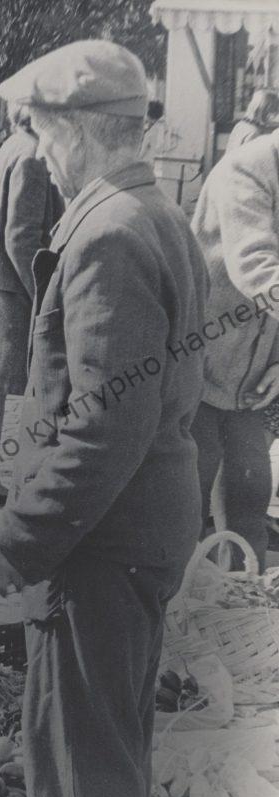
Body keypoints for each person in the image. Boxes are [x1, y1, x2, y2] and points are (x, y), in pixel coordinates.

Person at [0, 40, 208, 797]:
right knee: (78, 731)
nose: (34, 151)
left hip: (106, 535)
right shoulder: (150, 211)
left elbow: (105, 427)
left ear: (77, 130)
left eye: (39, 132)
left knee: (86, 748)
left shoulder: (108, 232)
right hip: (137, 524)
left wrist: (15, 538)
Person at [190, 129, 279, 571]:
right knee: (187, 501)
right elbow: (255, 266)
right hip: (198, 370)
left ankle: (239, 601)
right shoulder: (248, 169)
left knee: (249, 498)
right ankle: (176, 602)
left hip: (251, 379)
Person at [0, 105, 62, 509]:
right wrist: (42, 294)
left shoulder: (13, 144)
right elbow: (21, 238)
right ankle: (21, 479)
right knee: (35, 386)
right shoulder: (33, 156)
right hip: (11, 289)